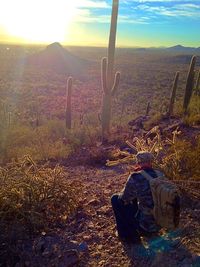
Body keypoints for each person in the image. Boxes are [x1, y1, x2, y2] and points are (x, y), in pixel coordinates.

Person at [111, 151, 164, 243]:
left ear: (138, 162)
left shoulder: (136, 176)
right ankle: (152, 231)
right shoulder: (160, 174)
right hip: (161, 222)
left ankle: (127, 235)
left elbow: (124, 199)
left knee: (115, 199)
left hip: (145, 225)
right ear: (151, 161)